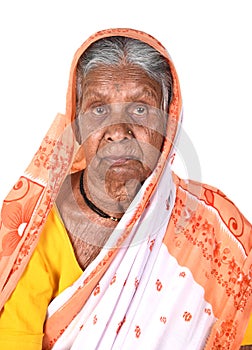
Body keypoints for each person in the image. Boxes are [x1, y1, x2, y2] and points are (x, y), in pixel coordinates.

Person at [0, 28, 251, 350]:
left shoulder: (215, 223)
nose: (117, 131)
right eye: (99, 110)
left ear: (170, 121)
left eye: (141, 109)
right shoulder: (35, 222)